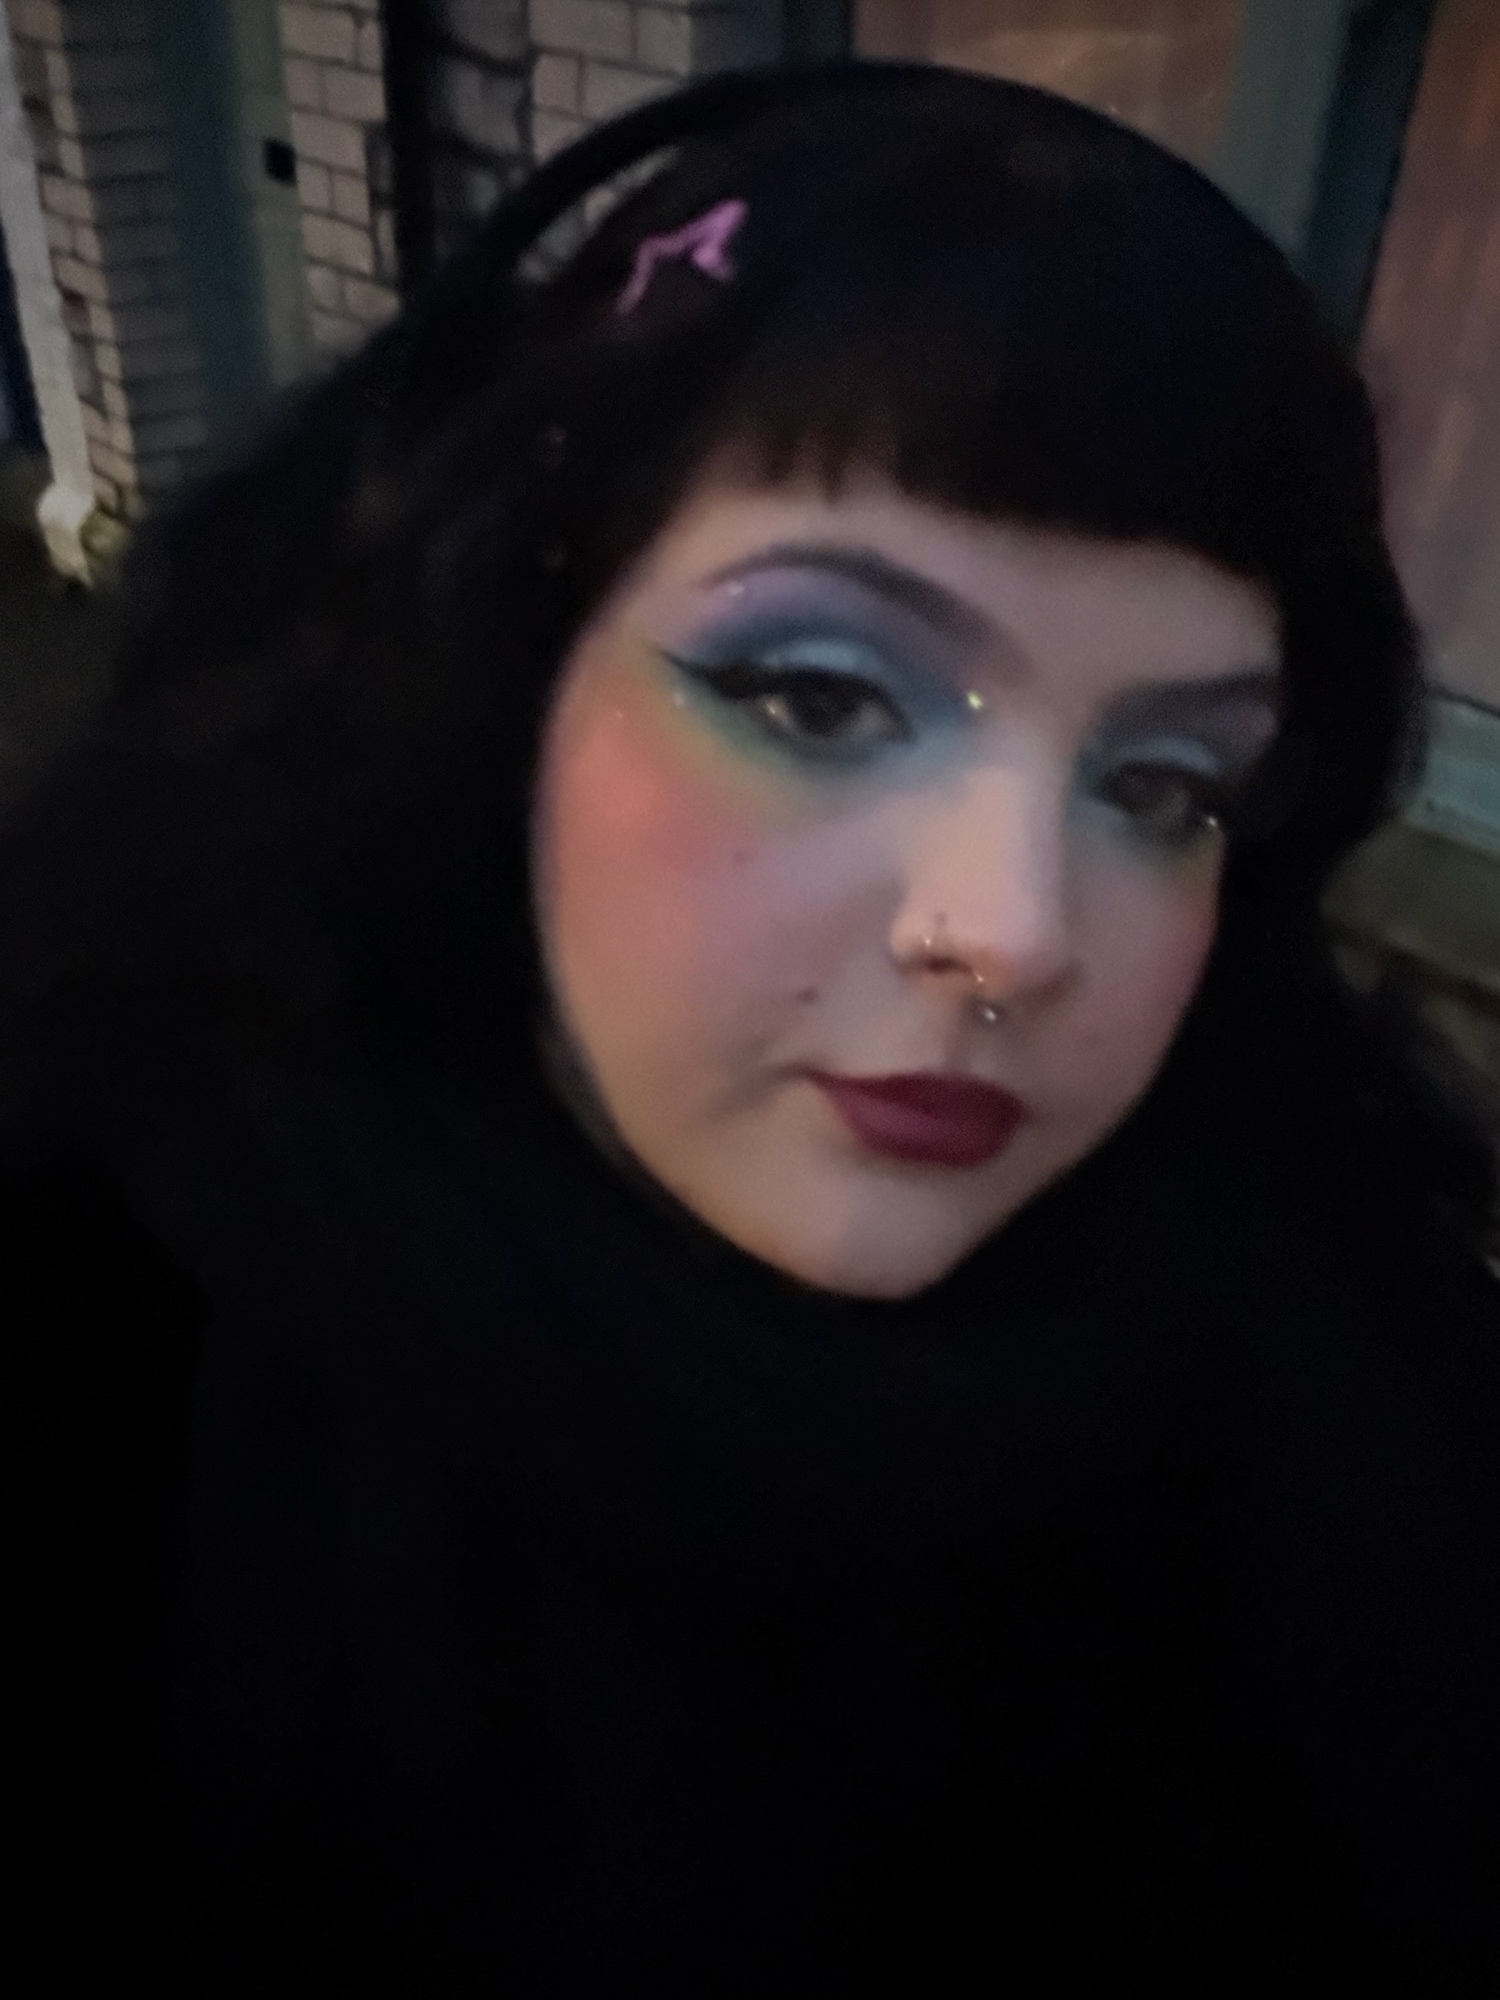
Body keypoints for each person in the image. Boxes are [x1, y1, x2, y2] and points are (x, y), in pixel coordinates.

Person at [8, 61, 1500, 1994]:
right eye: (816, 696)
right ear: (506, 660)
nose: (1012, 933)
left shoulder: (1337, 1376)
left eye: (1162, 787)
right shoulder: (106, 1318)